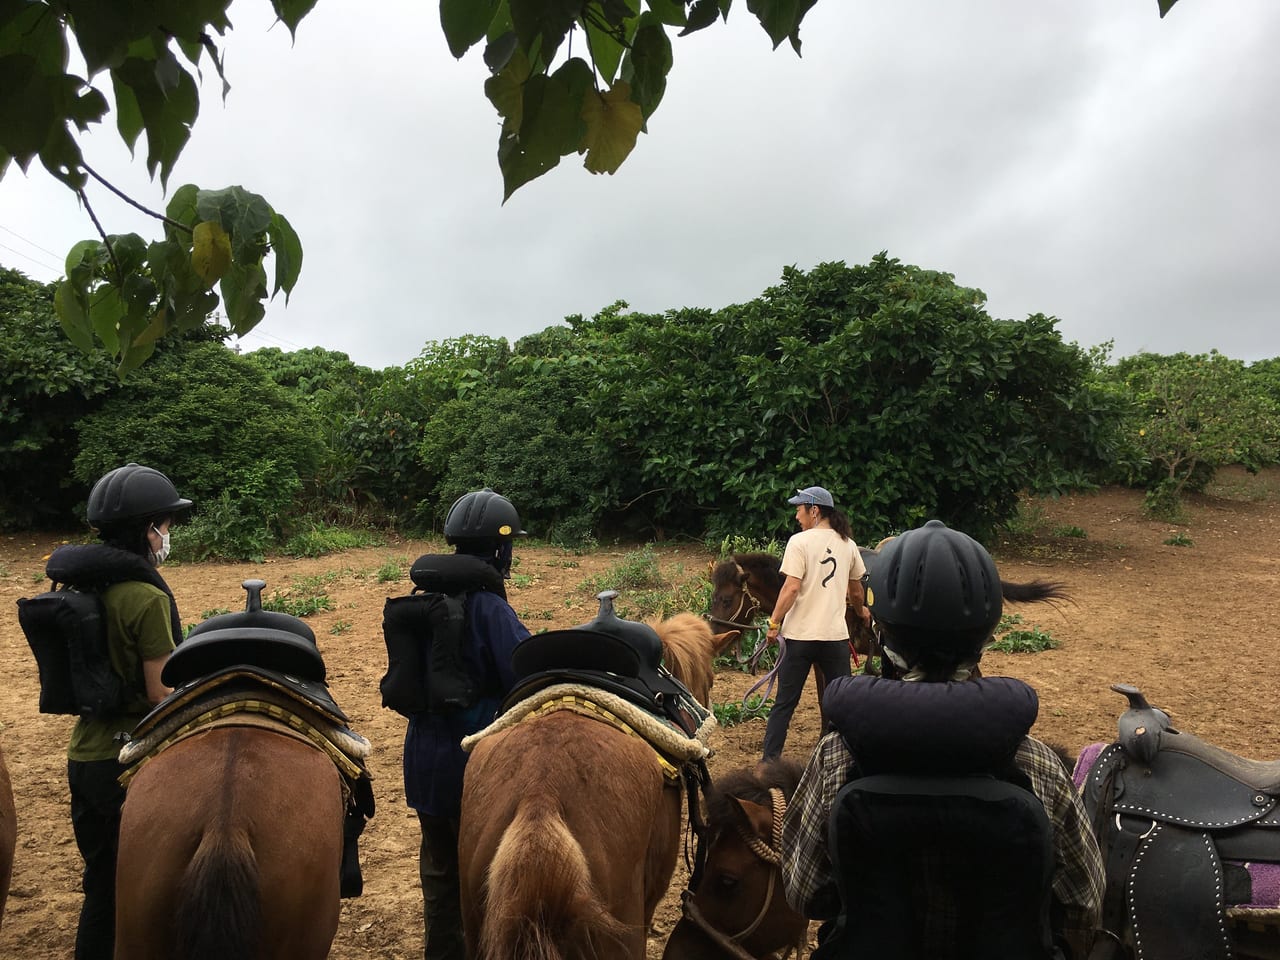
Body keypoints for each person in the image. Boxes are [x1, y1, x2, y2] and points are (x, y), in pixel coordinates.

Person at [781, 519, 1104, 959]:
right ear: (986, 638)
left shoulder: (835, 757)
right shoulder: (1037, 764)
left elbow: (804, 893)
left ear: (885, 634)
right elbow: (1085, 902)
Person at [43, 463, 190, 960]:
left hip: (85, 756)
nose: (167, 536)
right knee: (149, 891)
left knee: (101, 887)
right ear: (147, 528)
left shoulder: (79, 588)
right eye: (165, 525)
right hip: (136, 761)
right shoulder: (145, 597)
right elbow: (159, 693)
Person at [402, 489, 530, 960]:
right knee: (482, 875)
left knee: (438, 870)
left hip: (422, 760)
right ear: (500, 549)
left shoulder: (423, 599)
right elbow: (524, 670)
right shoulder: (490, 607)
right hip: (475, 763)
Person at [760, 485, 870, 761]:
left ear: (814, 510)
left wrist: (773, 624)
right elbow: (856, 592)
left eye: (799, 510)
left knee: (785, 704)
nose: (797, 517)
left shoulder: (800, 543)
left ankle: (768, 763)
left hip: (799, 638)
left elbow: (791, 588)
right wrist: (862, 612)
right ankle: (852, 758)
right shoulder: (849, 545)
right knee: (843, 704)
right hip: (834, 639)